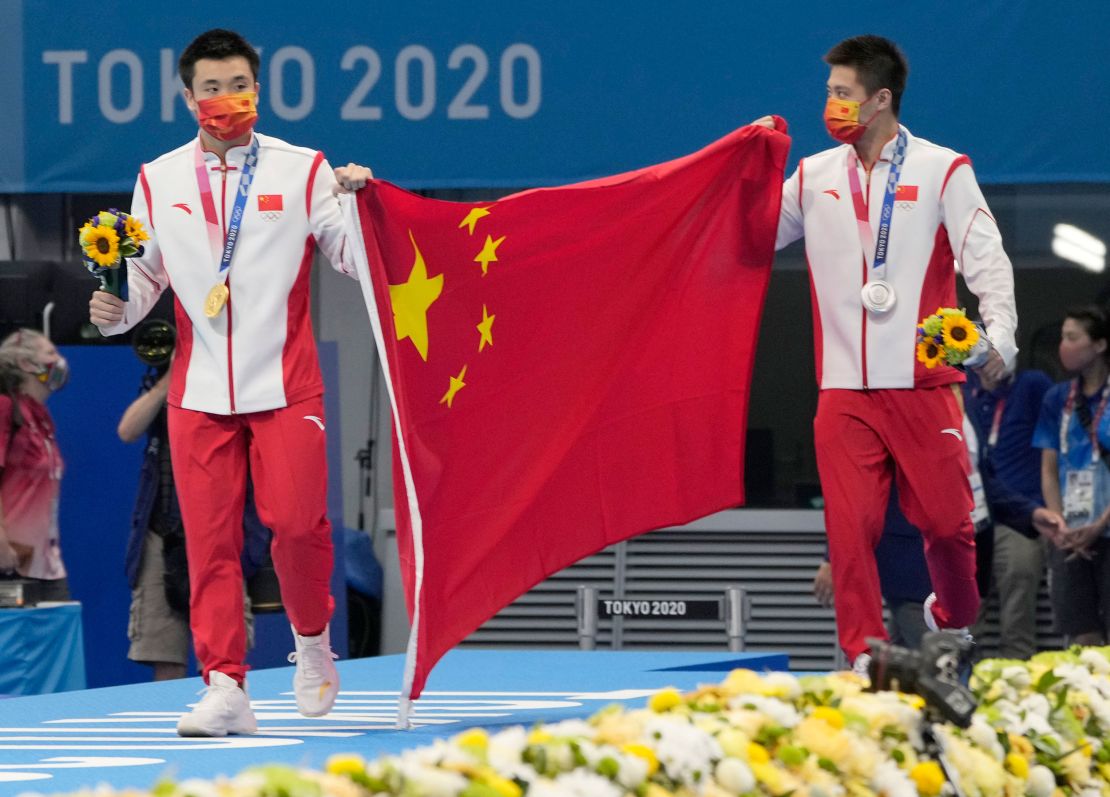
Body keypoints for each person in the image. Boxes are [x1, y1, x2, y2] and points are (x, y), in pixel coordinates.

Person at [88, 28, 372, 737]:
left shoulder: (303, 168)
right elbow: (145, 279)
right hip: (198, 391)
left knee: (297, 527)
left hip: (287, 384)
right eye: (210, 88)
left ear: (258, 88)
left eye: (237, 84)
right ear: (188, 98)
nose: (225, 99)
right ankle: (225, 685)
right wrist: (113, 305)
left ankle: (311, 644)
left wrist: (360, 206)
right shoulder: (157, 178)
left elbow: (347, 257)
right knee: (207, 542)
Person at [754, 34, 1018, 670]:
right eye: (829, 94)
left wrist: (999, 340)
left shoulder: (941, 169)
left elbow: (988, 260)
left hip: (924, 385)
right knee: (850, 534)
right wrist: (748, 164)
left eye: (842, 94)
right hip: (843, 390)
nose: (831, 105)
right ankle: (864, 657)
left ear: (879, 100)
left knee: (950, 529)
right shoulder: (813, 177)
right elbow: (750, 233)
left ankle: (950, 619)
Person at [118, 323, 271, 681]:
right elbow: (127, 430)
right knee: (164, 652)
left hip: (220, 531)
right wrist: (170, 377)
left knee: (222, 649)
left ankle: (225, 704)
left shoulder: (233, 386)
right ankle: (166, 729)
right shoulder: (161, 385)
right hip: (162, 532)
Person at [964, 367, 1062, 659]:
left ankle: (1015, 688)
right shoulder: (962, 384)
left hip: (1019, 516)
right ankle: (959, 684)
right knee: (964, 614)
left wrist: (1053, 506)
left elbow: (1058, 435)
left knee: (1017, 603)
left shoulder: (1032, 385)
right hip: (972, 515)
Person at [1034, 306, 1110, 645]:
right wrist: (1058, 522)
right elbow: (1049, 467)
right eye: (1062, 337)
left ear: (1099, 345)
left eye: (1072, 338)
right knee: (1081, 633)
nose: (1063, 346)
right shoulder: (1056, 398)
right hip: (1070, 534)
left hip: (1105, 528)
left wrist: (1100, 524)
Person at [813, 483, 932, 650]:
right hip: (910, 565)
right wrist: (833, 556)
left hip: (923, 563)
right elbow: (857, 495)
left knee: (907, 659)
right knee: (928, 657)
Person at [0, 329, 70, 602]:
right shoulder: (5, 408)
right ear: (27, 364)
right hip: (9, 562)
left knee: (58, 639)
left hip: (47, 565)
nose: (60, 361)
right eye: (51, 353)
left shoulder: (41, 419)